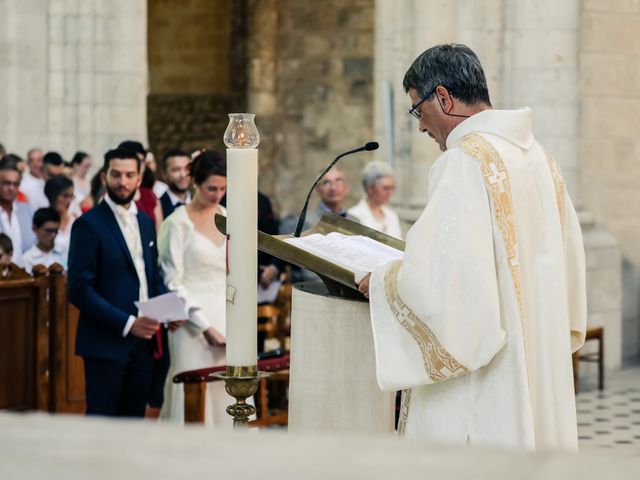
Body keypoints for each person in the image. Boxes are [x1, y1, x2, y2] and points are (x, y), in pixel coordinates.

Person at [357, 44, 586, 451]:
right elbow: (570, 268)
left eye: (417, 110)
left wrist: (382, 281)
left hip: (488, 384)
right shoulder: (541, 160)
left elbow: (444, 289)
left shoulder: (465, 160)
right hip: (540, 360)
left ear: (442, 97)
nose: (421, 127)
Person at [68, 148, 173, 418]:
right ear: (104, 176)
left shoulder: (146, 222)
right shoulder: (88, 225)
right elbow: (79, 289)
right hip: (106, 344)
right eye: (116, 174)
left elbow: (150, 277)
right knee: (102, 426)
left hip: (143, 347)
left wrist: (169, 311)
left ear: (139, 178)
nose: (122, 182)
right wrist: (128, 324)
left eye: (129, 175)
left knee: (133, 426)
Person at [158, 150, 230, 426]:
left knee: (225, 388)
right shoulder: (176, 223)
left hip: (225, 312)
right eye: (212, 188)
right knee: (192, 385)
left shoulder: (226, 216)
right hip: (190, 322)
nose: (217, 195)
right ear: (195, 183)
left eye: (223, 189)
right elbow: (172, 281)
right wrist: (204, 327)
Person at [348, 161, 403, 239]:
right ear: (370, 188)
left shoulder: (392, 215)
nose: (390, 193)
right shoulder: (354, 215)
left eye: (392, 188)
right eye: (385, 188)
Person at [118, 141, 163, 231]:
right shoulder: (111, 196)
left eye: (141, 161)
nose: (138, 166)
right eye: (133, 160)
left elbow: (159, 232)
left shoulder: (150, 196)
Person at [0, 160, 35, 266]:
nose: (11, 188)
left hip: (25, 276)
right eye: (6, 183)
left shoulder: (28, 211)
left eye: (16, 184)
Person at [44, 175, 77, 264]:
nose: (69, 201)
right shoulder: (42, 220)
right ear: (53, 195)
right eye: (65, 196)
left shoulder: (76, 221)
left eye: (71, 196)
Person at [21, 208, 66, 272]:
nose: (53, 235)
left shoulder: (65, 253)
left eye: (55, 231)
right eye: (48, 231)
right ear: (34, 228)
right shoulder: (27, 260)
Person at [159, 149, 191, 219]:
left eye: (187, 169)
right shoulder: (158, 207)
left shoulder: (201, 202)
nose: (183, 175)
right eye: (176, 170)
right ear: (164, 174)